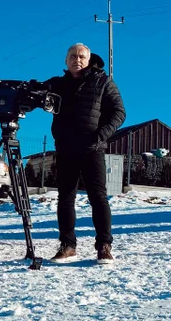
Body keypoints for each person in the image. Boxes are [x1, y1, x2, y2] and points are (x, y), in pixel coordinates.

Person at [45, 44, 126, 264]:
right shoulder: (57, 84)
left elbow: (119, 112)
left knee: (98, 198)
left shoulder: (102, 82)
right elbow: (32, 93)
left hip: (92, 149)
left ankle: (104, 246)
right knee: (65, 199)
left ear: (88, 59)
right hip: (66, 149)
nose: (77, 59)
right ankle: (68, 245)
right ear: (65, 60)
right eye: (72, 56)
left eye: (81, 56)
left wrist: (100, 135)